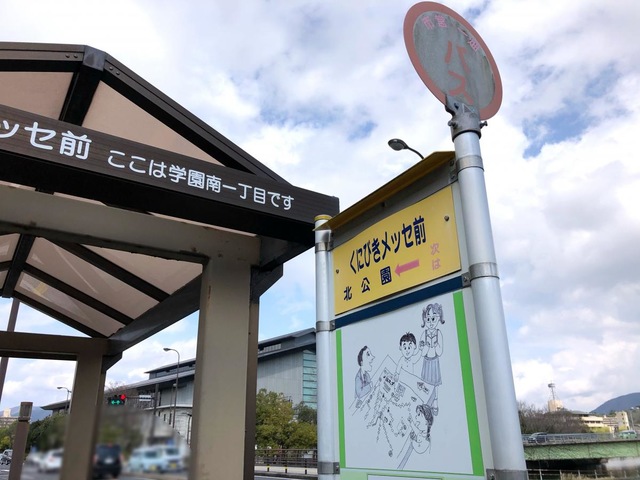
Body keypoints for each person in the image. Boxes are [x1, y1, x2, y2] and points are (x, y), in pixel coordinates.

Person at [419, 302, 444, 415]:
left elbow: (440, 351)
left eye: (433, 319)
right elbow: (422, 352)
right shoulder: (424, 334)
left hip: (434, 362)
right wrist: (426, 346)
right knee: (426, 384)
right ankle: (426, 404)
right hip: (426, 362)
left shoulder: (439, 333)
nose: (430, 322)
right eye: (428, 319)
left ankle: (435, 402)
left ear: (438, 318)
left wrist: (435, 346)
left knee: (435, 384)